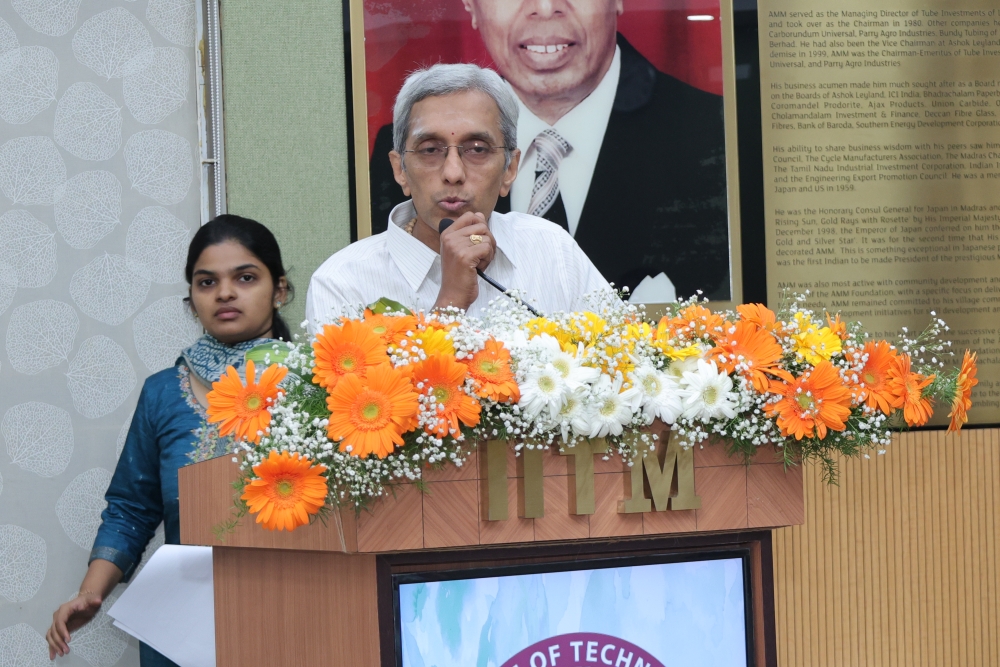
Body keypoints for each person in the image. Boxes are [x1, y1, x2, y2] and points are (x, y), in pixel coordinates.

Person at [46, 216, 291, 666]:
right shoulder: (163, 392)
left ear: (279, 290)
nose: (224, 293)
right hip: (183, 627)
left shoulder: (321, 387)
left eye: (245, 277)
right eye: (206, 282)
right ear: (191, 300)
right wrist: (89, 593)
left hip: (297, 608)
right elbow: (131, 507)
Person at [368, 0, 731, 300]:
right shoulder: (399, 158)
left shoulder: (712, 133)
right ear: (471, 6)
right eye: (432, 150)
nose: (544, 8)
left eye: (477, 148)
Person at [307, 63, 610, 327]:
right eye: (430, 150)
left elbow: (623, 363)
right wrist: (450, 302)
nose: (453, 173)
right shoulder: (343, 283)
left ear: (509, 169)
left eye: (477, 149)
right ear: (400, 170)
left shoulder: (553, 252)